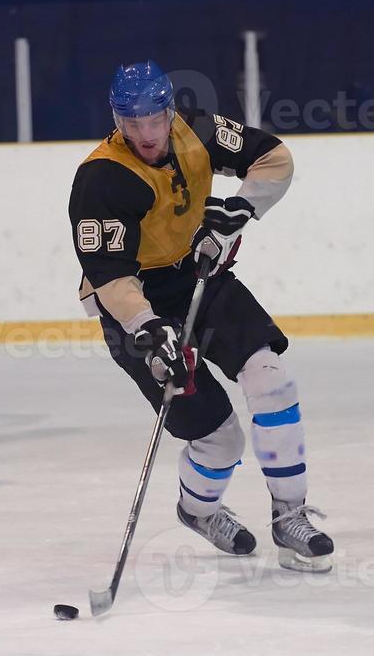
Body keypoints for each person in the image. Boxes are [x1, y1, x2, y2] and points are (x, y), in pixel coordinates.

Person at [67, 61, 333, 572]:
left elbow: (273, 158)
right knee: (218, 438)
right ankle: (198, 509)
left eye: (153, 118)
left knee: (271, 377)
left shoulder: (199, 130)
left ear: (169, 110)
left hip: (197, 277)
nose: (145, 134)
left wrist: (240, 210)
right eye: (131, 121)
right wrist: (146, 327)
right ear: (116, 120)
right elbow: (108, 273)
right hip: (133, 305)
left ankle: (289, 515)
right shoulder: (101, 178)